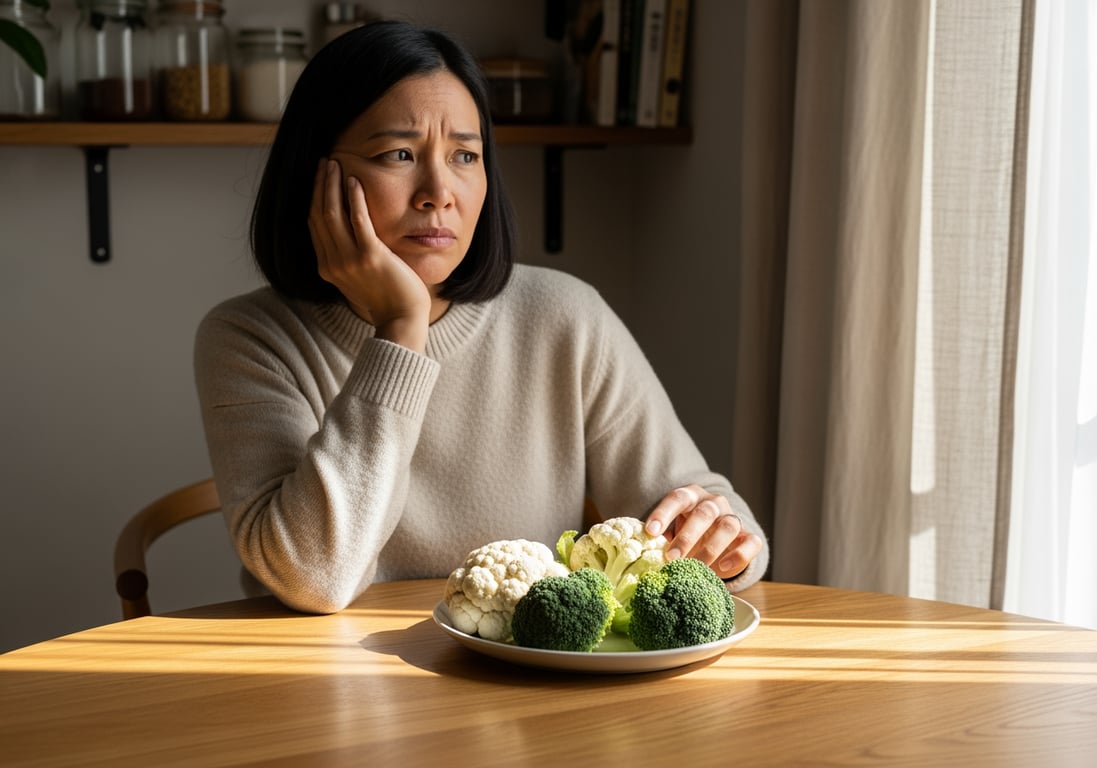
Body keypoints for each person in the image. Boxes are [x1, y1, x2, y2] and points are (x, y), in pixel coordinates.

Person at [194, 20, 768, 614]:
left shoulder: (565, 317)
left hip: (530, 686)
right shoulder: (248, 339)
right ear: (317, 177)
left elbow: (708, 511)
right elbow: (314, 577)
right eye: (399, 153)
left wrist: (723, 544)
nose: (438, 191)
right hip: (326, 690)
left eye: (465, 155)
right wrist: (400, 328)